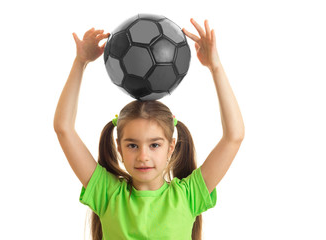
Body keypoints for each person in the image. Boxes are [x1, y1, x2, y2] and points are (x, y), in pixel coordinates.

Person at [54, 18, 245, 240]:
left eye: (154, 144)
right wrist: (80, 62)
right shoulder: (107, 194)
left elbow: (234, 136)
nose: (143, 156)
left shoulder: (188, 196)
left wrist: (215, 67)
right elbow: (63, 128)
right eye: (132, 145)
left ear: (171, 146)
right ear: (119, 146)